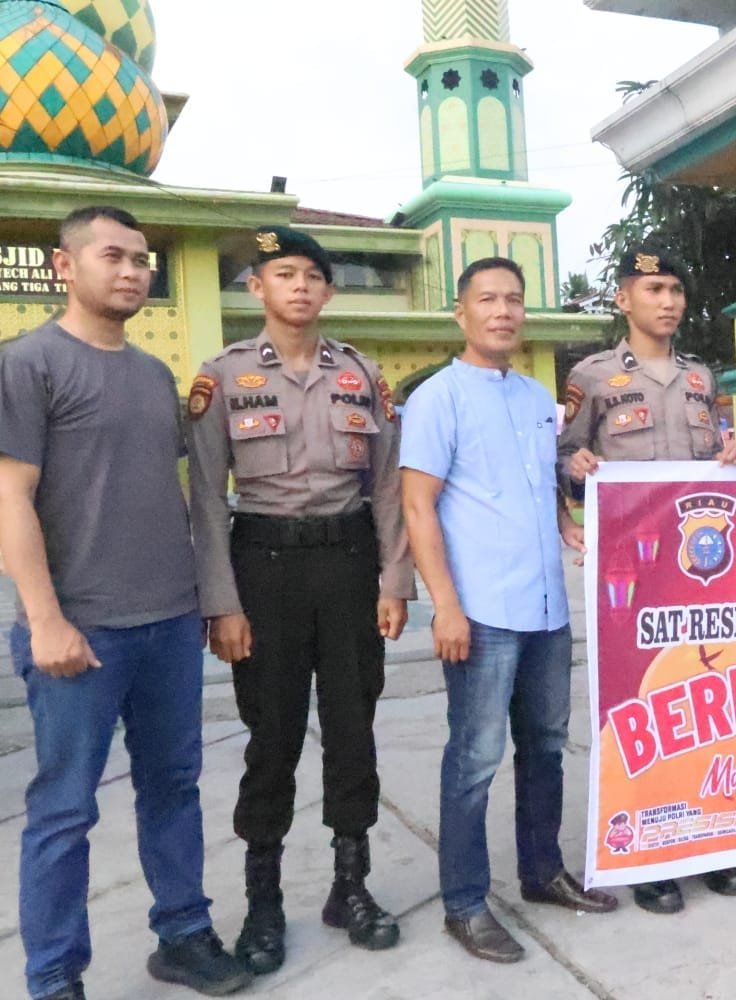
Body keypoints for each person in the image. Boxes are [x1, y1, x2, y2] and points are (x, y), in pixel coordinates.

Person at [0, 206, 251, 1000]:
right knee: (64, 811)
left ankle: (182, 934)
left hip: (168, 624)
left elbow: (172, 490)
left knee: (173, 788)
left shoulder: (152, 375)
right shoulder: (28, 364)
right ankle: (53, 976)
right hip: (81, 631)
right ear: (63, 267)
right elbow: (10, 496)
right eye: (112, 256)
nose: (133, 271)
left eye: (142, 260)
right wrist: (44, 618)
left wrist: (206, 600)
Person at [188, 227, 412, 974]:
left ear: (329, 290)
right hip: (265, 569)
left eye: (313, 276)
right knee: (272, 737)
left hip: (348, 565)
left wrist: (394, 580)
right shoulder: (222, 377)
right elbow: (206, 501)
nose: (300, 287)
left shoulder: (360, 373)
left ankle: (351, 888)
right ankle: (264, 903)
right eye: (284, 274)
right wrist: (221, 603)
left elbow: (388, 487)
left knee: (353, 730)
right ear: (257, 287)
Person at [401, 257, 617, 965]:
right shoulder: (437, 398)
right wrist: (445, 606)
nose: (503, 311)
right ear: (461, 313)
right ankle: (464, 903)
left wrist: (564, 522)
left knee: (546, 747)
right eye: (488, 299)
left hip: (547, 605)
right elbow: (418, 506)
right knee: (475, 758)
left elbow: (538, 481)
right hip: (483, 610)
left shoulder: (533, 397)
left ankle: (542, 870)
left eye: (514, 300)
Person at [559, 244, 736, 915]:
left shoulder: (701, 376)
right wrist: (575, 471)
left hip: (703, 569)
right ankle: (648, 849)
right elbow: (563, 459)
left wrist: (735, 452)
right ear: (623, 300)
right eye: (653, 290)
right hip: (633, 573)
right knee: (639, 708)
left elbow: (721, 448)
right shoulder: (592, 376)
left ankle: (712, 838)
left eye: (675, 290)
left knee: (709, 700)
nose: (667, 301)